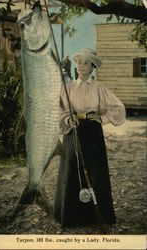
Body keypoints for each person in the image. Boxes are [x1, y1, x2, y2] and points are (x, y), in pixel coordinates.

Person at [53, 48, 126, 228]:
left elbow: (118, 108)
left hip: (93, 133)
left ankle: (96, 217)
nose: (80, 66)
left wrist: (103, 118)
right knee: (71, 168)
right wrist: (68, 118)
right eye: (78, 62)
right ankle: (70, 217)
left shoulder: (99, 88)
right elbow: (59, 111)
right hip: (73, 130)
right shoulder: (67, 88)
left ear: (93, 66)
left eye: (85, 63)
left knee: (95, 170)